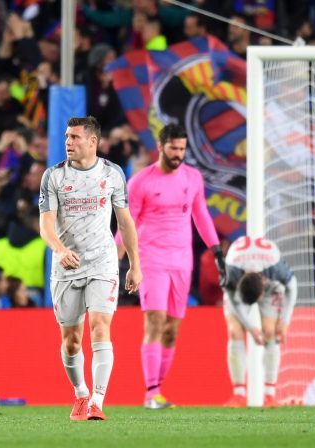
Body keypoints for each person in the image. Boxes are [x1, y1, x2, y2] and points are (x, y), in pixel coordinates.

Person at [39, 116, 141, 421]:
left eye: (75, 137)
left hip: (102, 261)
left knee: (100, 327)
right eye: (67, 137)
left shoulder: (112, 173)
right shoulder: (53, 176)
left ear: (92, 141)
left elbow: (125, 221)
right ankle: (81, 393)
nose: (68, 142)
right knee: (70, 340)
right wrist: (59, 249)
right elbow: (45, 225)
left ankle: (97, 400)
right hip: (66, 267)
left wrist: (135, 264)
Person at [122, 123, 224, 409]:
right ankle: (151, 394)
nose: (178, 154)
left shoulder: (192, 178)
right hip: (151, 260)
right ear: (160, 146)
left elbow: (201, 215)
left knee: (172, 329)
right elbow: (128, 224)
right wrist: (115, 256)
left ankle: (158, 390)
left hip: (182, 262)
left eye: (182, 149)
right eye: (173, 148)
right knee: (155, 321)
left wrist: (216, 250)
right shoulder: (141, 182)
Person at [220, 236, 297, 408]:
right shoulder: (231, 270)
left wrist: (285, 322)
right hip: (238, 286)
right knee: (234, 331)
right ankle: (239, 395)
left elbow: (293, 285)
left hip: (271, 286)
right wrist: (251, 328)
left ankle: (269, 396)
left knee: (271, 333)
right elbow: (233, 300)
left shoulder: (275, 267)